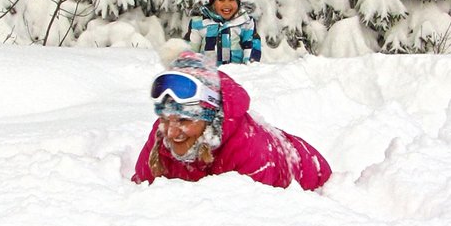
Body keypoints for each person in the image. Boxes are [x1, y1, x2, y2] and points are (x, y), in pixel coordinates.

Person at [132, 50, 332, 190]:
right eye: (165, 119)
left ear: (210, 118)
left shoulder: (248, 150)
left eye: (184, 120)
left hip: (313, 179)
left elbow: (249, 225)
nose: (171, 132)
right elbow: (138, 197)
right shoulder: (160, 138)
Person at [184, 0, 261, 65]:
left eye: (231, 0)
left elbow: (251, 47)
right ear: (213, 3)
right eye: (221, 0)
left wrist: (249, 65)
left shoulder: (245, 22)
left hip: (236, 71)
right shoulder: (199, 23)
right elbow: (191, 49)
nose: (226, 5)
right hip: (208, 71)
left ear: (238, 3)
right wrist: (189, 64)